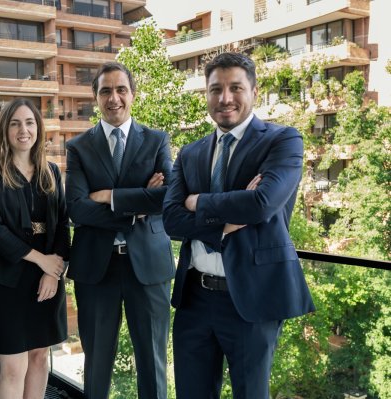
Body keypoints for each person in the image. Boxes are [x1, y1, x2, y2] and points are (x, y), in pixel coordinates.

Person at [163, 52, 315, 398]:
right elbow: (171, 219)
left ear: (254, 92)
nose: (225, 98)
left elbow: (261, 204)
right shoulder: (190, 153)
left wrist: (196, 201)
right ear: (206, 94)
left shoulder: (283, 140)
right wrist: (224, 224)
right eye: (216, 89)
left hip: (252, 299)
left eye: (235, 88)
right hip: (194, 299)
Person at [66, 61, 175, 399]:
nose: (114, 98)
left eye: (120, 89)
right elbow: (77, 208)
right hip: (97, 268)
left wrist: (110, 197)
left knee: (153, 363)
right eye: (105, 91)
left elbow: (165, 197)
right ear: (95, 97)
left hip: (149, 266)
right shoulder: (79, 147)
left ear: (133, 94)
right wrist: (135, 207)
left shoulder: (157, 140)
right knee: (96, 363)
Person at [0, 98, 69, 399]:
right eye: (15, 123)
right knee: (13, 365)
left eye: (29, 122)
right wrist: (42, 260)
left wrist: (54, 273)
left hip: (46, 279)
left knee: (40, 356)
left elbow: (62, 226)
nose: (23, 130)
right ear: (5, 130)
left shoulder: (51, 172)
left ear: (38, 129)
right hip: (5, 280)